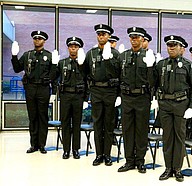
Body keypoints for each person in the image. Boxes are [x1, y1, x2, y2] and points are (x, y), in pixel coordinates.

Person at [154, 35, 192, 182]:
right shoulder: (161, 64)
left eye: (174, 45)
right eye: (169, 45)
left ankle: (177, 168)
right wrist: (155, 99)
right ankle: (168, 168)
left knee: (179, 137)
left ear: (182, 48)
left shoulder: (188, 65)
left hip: (181, 105)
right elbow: (154, 83)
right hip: (165, 105)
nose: (171, 47)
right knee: (167, 137)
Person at [80, 24, 120, 166]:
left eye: (104, 34)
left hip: (110, 91)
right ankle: (98, 154)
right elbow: (84, 74)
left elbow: (120, 75)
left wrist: (119, 95)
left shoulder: (115, 54)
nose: (101, 36)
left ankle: (107, 155)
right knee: (97, 124)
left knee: (109, 125)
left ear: (109, 36)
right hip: (96, 91)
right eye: (99, 34)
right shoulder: (91, 53)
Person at [117, 26, 155, 174]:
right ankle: (129, 160)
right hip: (127, 98)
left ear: (142, 39)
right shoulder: (123, 56)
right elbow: (118, 76)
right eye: (132, 37)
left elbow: (153, 81)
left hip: (142, 98)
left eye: (137, 37)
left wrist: (151, 67)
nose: (134, 39)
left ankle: (140, 161)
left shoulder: (148, 56)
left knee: (141, 131)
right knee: (127, 130)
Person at [11, 30, 56, 154]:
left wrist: (53, 91)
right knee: (32, 117)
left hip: (43, 89)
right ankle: (33, 145)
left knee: (42, 117)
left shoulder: (49, 56)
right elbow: (16, 69)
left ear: (44, 41)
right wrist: (14, 56)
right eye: (35, 38)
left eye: (40, 38)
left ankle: (42, 145)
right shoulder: (27, 55)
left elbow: (54, 75)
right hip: (30, 88)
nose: (37, 40)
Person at [53, 37, 87, 159]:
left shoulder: (83, 64)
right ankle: (66, 149)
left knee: (77, 124)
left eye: (76, 46)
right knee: (65, 123)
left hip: (78, 96)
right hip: (65, 96)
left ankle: (76, 149)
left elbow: (87, 81)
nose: (73, 48)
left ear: (79, 48)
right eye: (71, 46)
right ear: (68, 48)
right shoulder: (62, 63)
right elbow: (54, 77)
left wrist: (86, 99)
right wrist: (53, 65)